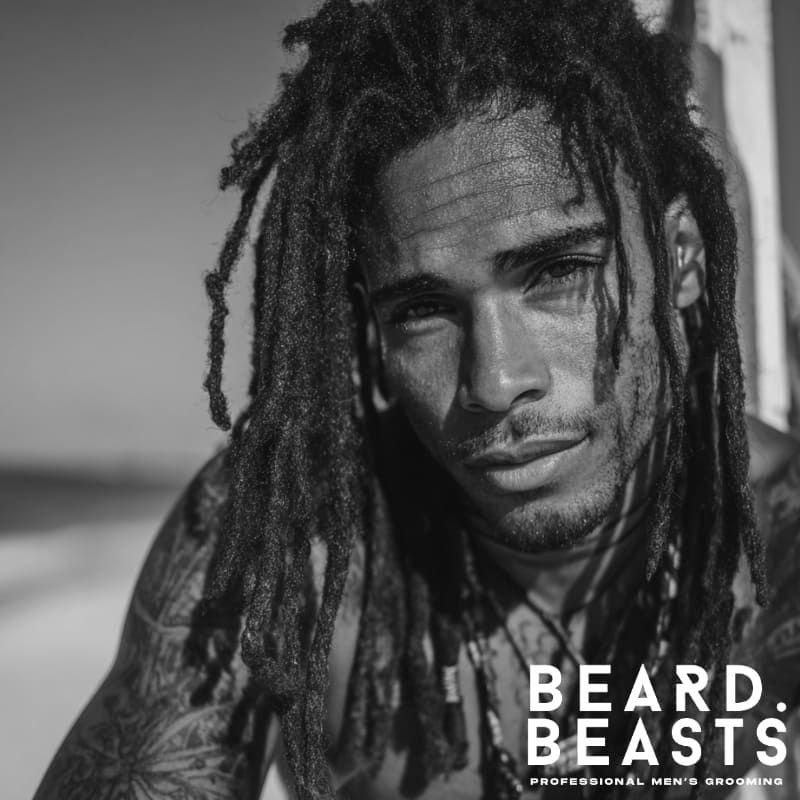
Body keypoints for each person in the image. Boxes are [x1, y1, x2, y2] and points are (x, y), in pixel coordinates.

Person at [34, 1, 800, 798]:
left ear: (681, 259)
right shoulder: (291, 540)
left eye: (558, 272)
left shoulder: (781, 541)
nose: (496, 382)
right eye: (424, 311)